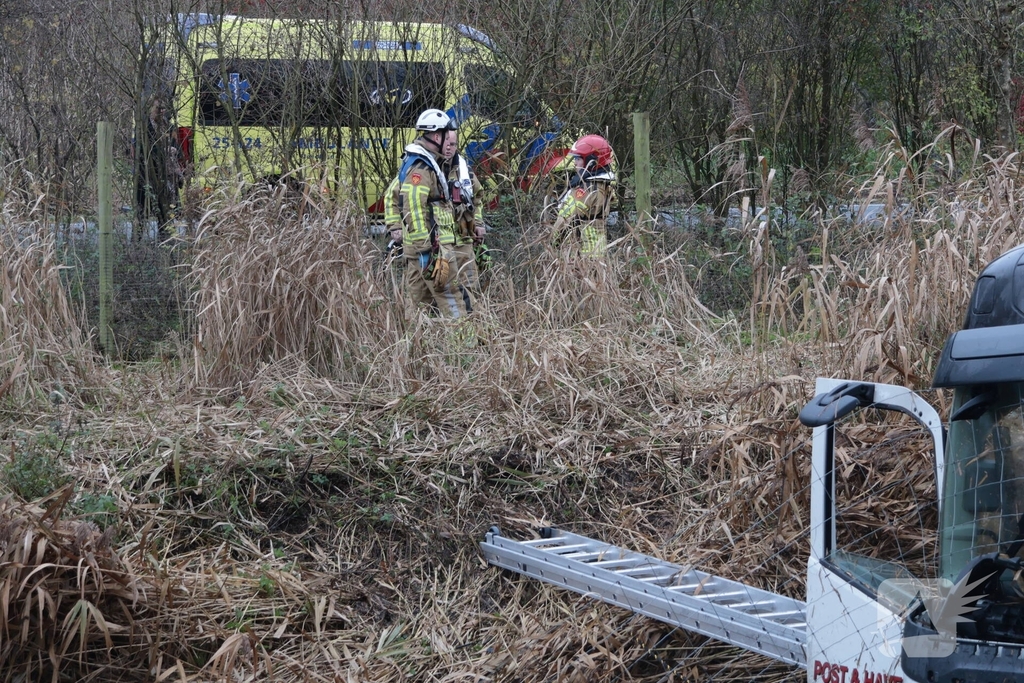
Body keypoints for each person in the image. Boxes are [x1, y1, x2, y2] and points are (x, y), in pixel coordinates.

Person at [387, 109, 472, 320]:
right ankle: (465, 345)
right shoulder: (421, 168)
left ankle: (415, 347)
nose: (450, 144)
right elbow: (413, 210)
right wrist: (427, 252)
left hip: (420, 250)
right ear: (436, 136)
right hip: (432, 249)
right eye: (447, 137)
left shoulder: (430, 163)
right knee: (451, 297)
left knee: (417, 304)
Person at [440, 127, 488, 308]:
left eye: (453, 144)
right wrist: (395, 227)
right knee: (444, 287)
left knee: (469, 284)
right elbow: (395, 198)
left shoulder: (464, 170)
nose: (449, 148)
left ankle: (472, 322)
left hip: (464, 239)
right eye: (446, 143)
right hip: (440, 242)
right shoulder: (424, 169)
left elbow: (478, 197)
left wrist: (479, 222)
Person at [549, 134, 616, 257]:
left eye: (578, 159)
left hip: (582, 255)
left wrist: (552, 245)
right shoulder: (602, 183)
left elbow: (564, 219)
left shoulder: (587, 189)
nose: (575, 163)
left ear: (592, 161)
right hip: (597, 252)